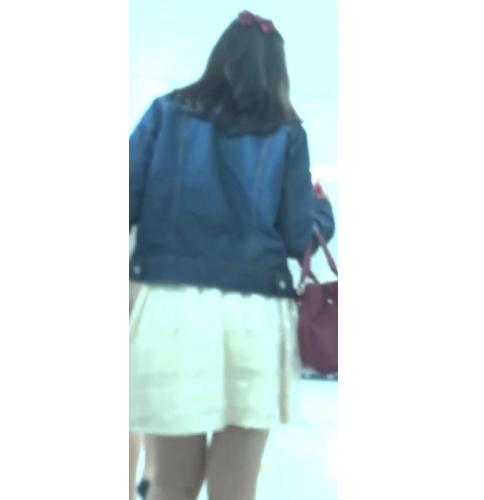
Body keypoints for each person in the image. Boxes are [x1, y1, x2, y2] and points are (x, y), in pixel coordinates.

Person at [129, 10, 335, 500]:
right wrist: (321, 210)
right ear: (277, 71)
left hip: (170, 308)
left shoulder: (164, 113)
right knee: (235, 489)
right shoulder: (287, 132)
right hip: (255, 314)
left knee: (170, 484)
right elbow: (296, 235)